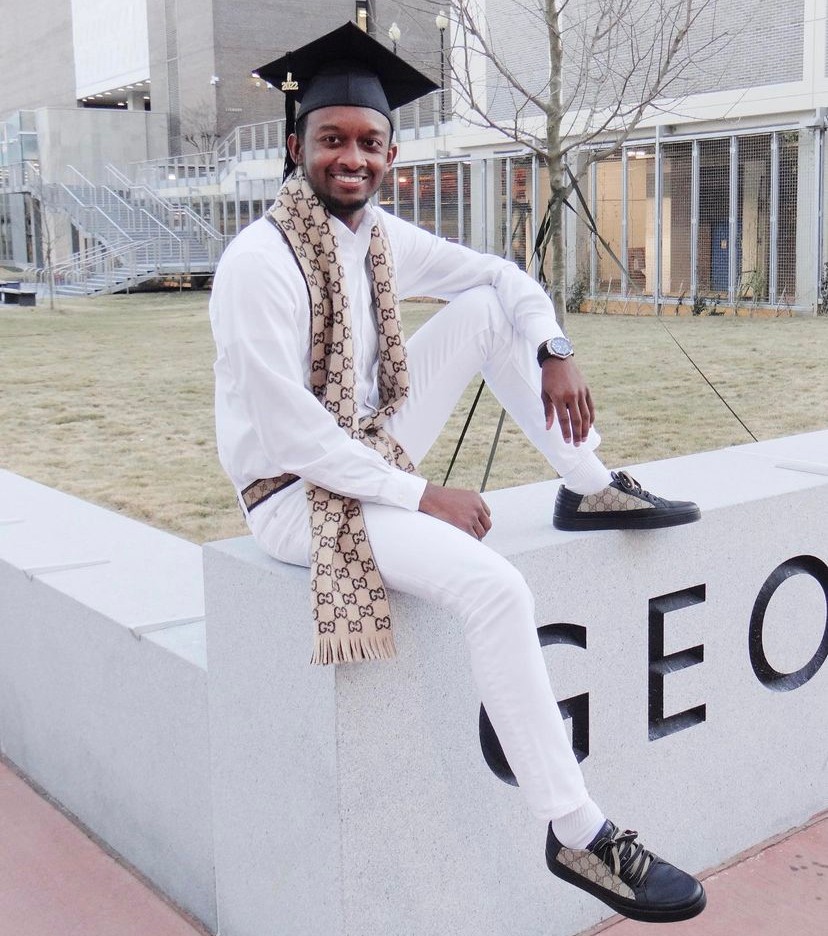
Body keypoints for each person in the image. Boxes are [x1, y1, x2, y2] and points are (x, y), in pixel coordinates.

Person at [208, 21, 705, 924]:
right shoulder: (259, 264)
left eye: (368, 142)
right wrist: (422, 496)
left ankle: (587, 483)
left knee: (484, 310)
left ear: (390, 156)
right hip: (294, 496)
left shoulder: (379, 239)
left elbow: (503, 277)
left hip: (370, 445)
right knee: (495, 588)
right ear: (295, 147)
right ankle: (577, 832)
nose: (351, 158)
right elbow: (290, 437)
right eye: (332, 140)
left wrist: (554, 348)